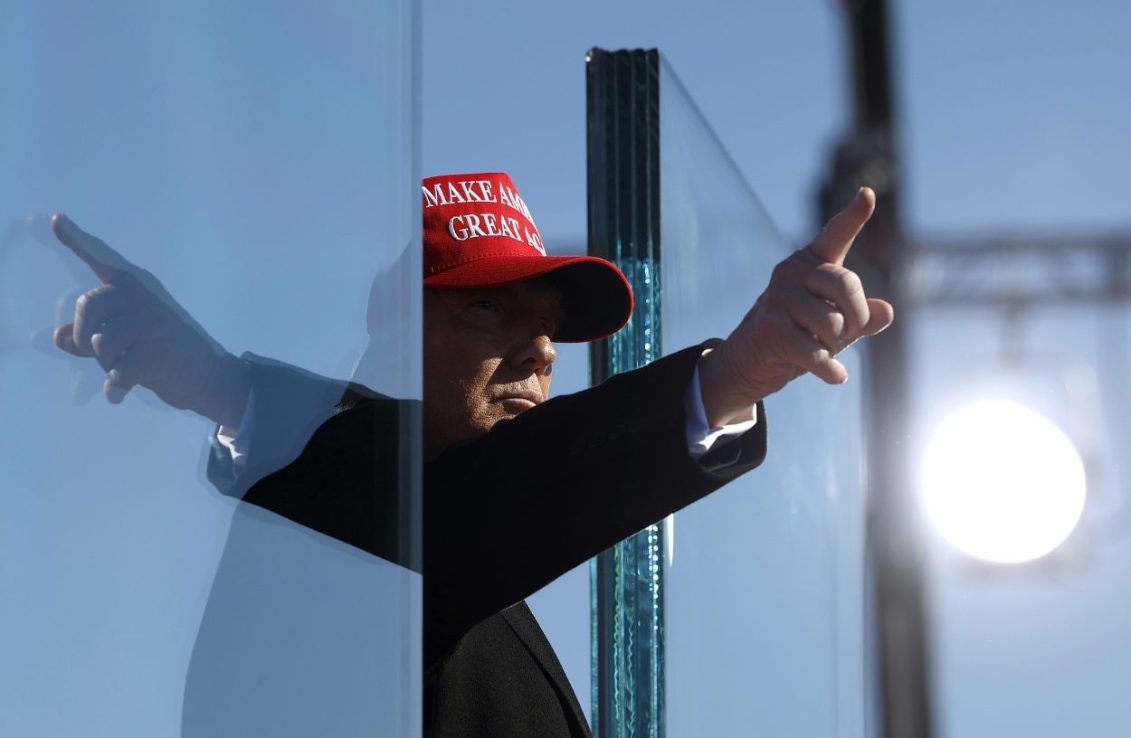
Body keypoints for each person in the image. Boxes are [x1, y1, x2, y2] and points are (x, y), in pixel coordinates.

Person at [48, 172, 893, 736]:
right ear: (392, 331)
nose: (543, 352)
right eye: (489, 311)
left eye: (550, 324)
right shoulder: (355, 515)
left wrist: (218, 382)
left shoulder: (451, 556)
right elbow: (428, 493)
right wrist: (733, 375)